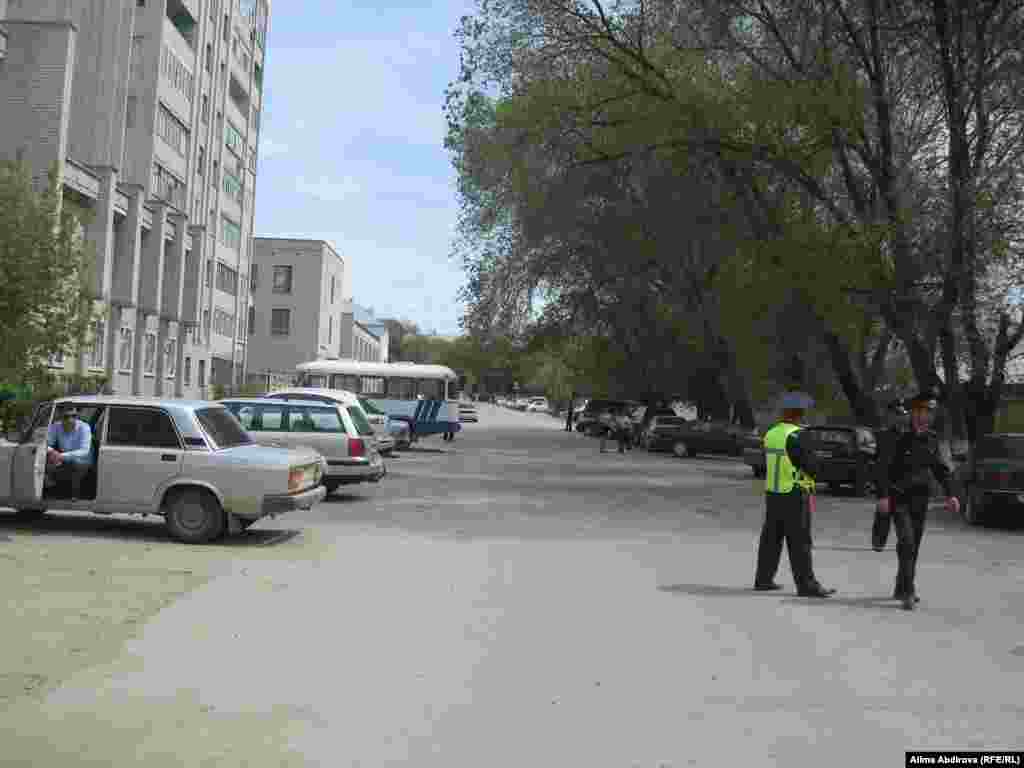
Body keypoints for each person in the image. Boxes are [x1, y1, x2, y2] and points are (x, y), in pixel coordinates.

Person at [874, 389, 960, 610]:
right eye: (920, 411)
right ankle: (908, 591)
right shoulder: (898, 437)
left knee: (914, 546)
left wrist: (951, 494)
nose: (924, 416)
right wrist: (883, 496)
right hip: (899, 498)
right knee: (907, 542)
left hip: (920, 501)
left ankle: (901, 585)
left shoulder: (932, 439)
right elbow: (882, 468)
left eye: (928, 412)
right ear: (912, 413)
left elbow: (941, 469)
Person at [754, 391, 835, 597]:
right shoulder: (798, 436)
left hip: (773, 493)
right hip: (794, 493)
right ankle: (806, 585)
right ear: (799, 414)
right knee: (800, 541)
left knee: (771, 539)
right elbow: (811, 467)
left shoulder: (771, 434)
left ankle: (763, 579)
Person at [45, 407, 93, 500]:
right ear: (60, 416)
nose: (70, 420)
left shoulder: (84, 427)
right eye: (66, 416)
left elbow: (84, 451)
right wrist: (52, 451)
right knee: (43, 462)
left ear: (77, 416)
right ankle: (50, 493)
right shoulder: (55, 426)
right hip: (64, 459)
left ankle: (75, 495)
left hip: (82, 460)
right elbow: (46, 444)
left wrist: (60, 456)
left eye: (74, 416)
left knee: (76, 466)